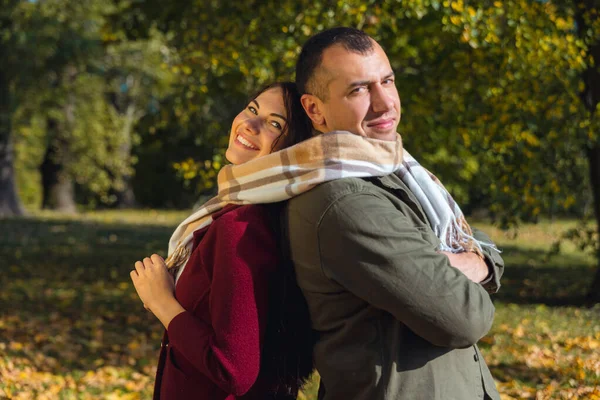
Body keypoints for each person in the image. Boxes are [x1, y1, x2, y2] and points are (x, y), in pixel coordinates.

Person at [284, 27, 505, 399]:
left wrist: (477, 257)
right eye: (359, 89)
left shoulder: (395, 173)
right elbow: (465, 317)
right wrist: (472, 262)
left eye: (387, 80)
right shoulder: (344, 200)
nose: (385, 103)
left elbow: (476, 245)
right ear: (314, 110)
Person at [130, 82, 315, 400]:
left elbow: (234, 370)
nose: (249, 123)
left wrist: (163, 302)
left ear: (294, 147)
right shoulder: (253, 214)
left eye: (274, 123)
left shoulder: (241, 227)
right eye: (253, 109)